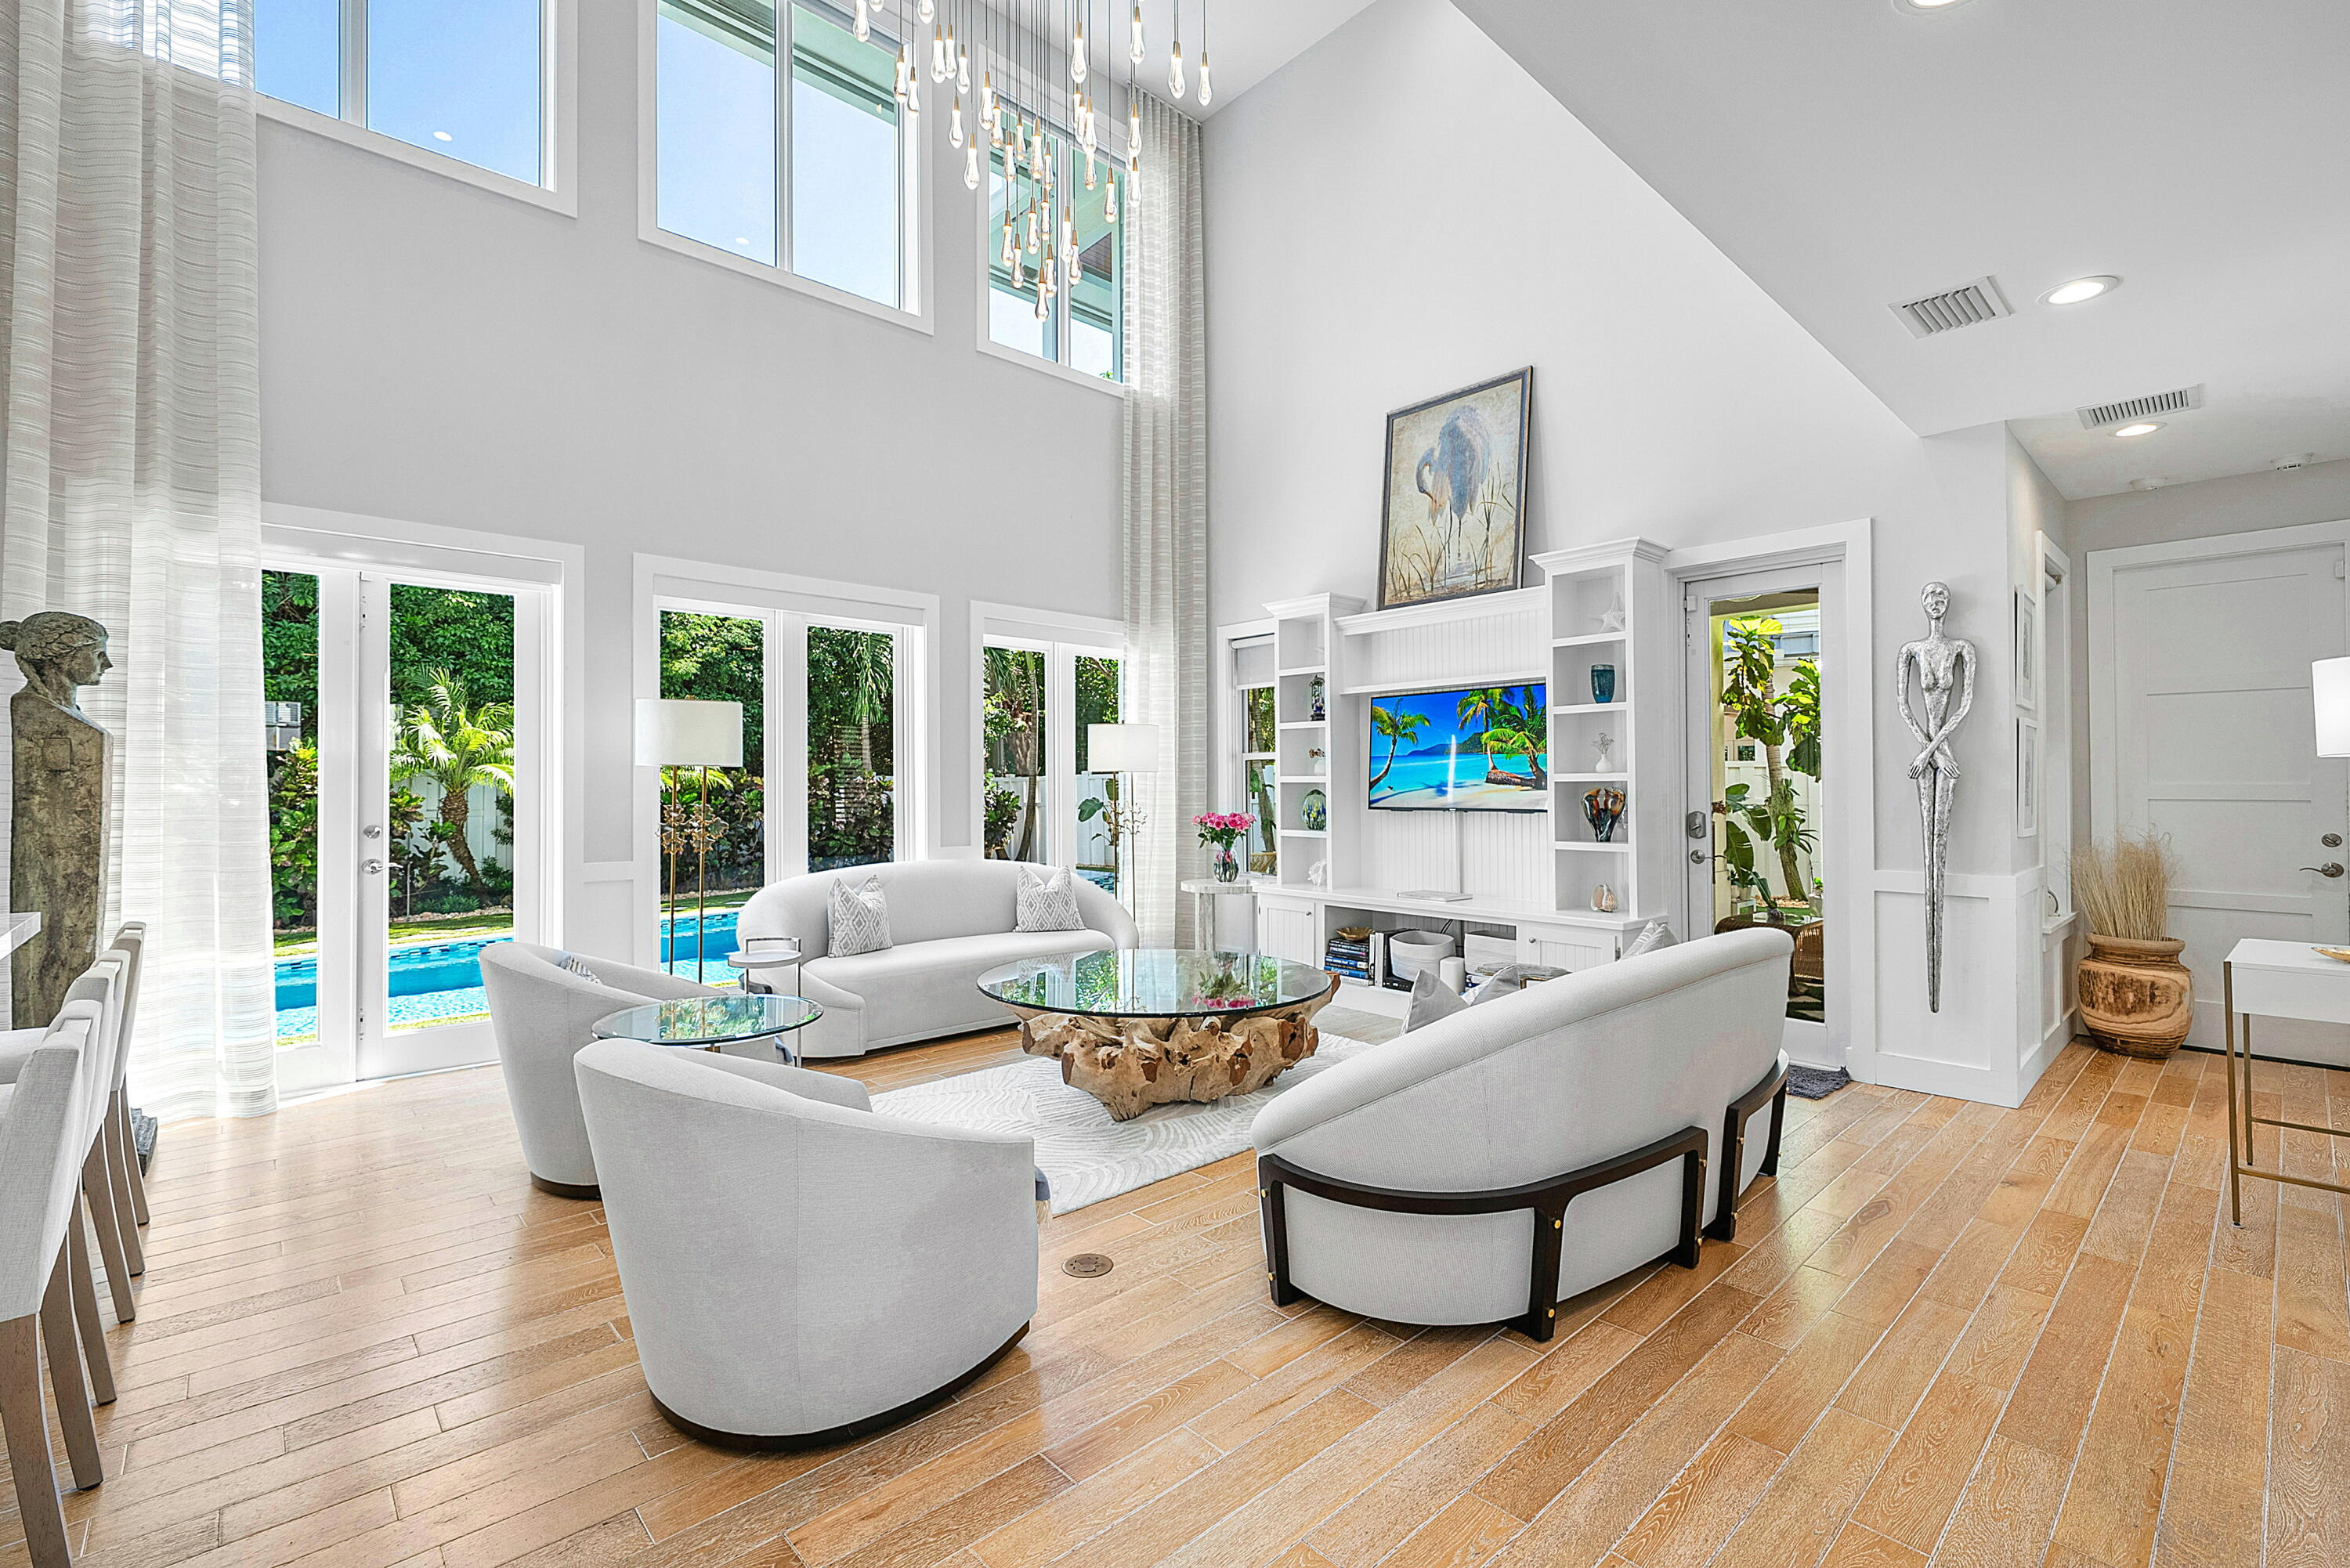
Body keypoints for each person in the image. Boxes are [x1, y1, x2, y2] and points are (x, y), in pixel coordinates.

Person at [4, 611, 114, 1025]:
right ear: (59, 657)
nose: (106, 664)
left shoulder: (67, 715)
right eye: (97, 653)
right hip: (49, 866)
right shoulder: (35, 712)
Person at [1895, 583, 1974, 1013]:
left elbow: (1963, 706)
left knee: (1939, 849)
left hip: (1939, 753)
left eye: (1942, 596)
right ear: (1923, 604)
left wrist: (1933, 752)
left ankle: (1937, 992)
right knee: (1928, 850)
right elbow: (1904, 706)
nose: (1937, 602)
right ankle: (1932, 993)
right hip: (1928, 752)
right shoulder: (1911, 650)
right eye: (1930, 597)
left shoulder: (1963, 649)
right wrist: (1927, 752)